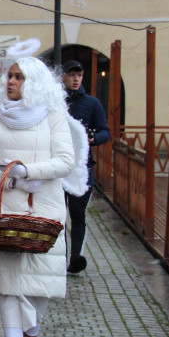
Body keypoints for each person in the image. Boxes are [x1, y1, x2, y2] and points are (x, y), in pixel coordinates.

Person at [0, 41, 77, 337]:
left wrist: (29, 171)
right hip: (3, 212)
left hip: (43, 212)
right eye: (9, 76)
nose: (11, 81)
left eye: (18, 77)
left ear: (33, 83)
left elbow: (65, 161)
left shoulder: (54, 117)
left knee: (38, 288)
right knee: (9, 288)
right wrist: (10, 178)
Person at [60, 60, 111, 275]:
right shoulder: (56, 102)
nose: (76, 79)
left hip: (82, 168)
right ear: (63, 77)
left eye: (79, 75)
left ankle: (75, 258)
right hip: (59, 168)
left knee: (78, 213)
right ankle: (59, 257)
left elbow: (105, 132)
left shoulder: (92, 103)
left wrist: (93, 138)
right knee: (59, 215)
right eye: (72, 75)